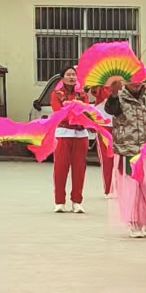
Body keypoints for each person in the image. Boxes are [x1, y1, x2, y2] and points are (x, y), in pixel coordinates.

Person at [105, 76, 146, 202]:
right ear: (125, 82)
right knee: (130, 184)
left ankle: (144, 211)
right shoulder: (119, 97)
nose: (137, 83)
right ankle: (131, 211)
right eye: (132, 80)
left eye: (140, 79)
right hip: (127, 149)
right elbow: (111, 109)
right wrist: (113, 94)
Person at [49, 67, 91, 213]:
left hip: (80, 135)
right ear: (62, 78)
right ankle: (59, 201)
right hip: (63, 134)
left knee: (79, 169)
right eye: (68, 74)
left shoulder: (82, 94)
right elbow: (58, 112)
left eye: (74, 74)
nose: (72, 77)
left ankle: (77, 201)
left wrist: (80, 117)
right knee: (60, 168)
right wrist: (73, 116)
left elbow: (86, 111)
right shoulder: (57, 94)